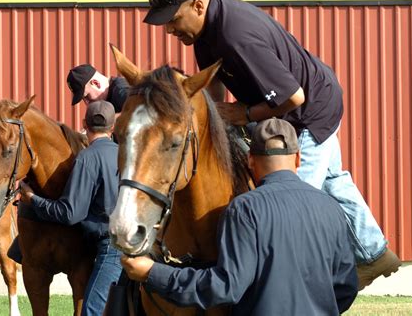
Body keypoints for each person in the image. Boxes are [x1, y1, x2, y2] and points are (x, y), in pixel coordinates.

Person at [142, 0, 401, 290]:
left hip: (308, 112)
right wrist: (219, 115)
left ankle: (291, 285)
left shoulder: (235, 35)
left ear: (197, 4)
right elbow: (216, 85)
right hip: (300, 103)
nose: (168, 29)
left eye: (173, 19)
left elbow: (293, 96)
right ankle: (375, 253)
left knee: (290, 203)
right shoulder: (206, 32)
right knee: (332, 178)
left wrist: (244, 115)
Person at [121, 118, 358, 315]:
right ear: (297, 159)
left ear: (250, 160)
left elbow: (226, 287)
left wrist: (153, 273)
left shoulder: (245, 209)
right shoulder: (331, 208)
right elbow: (346, 287)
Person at [18, 100, 122, 316]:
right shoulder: (123, 154)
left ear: (85, 123)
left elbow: (70, 213)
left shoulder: (87, 158)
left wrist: (32, 199)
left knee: (92, 310)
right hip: (131, 245)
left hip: (110, 249)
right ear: (113, 127)